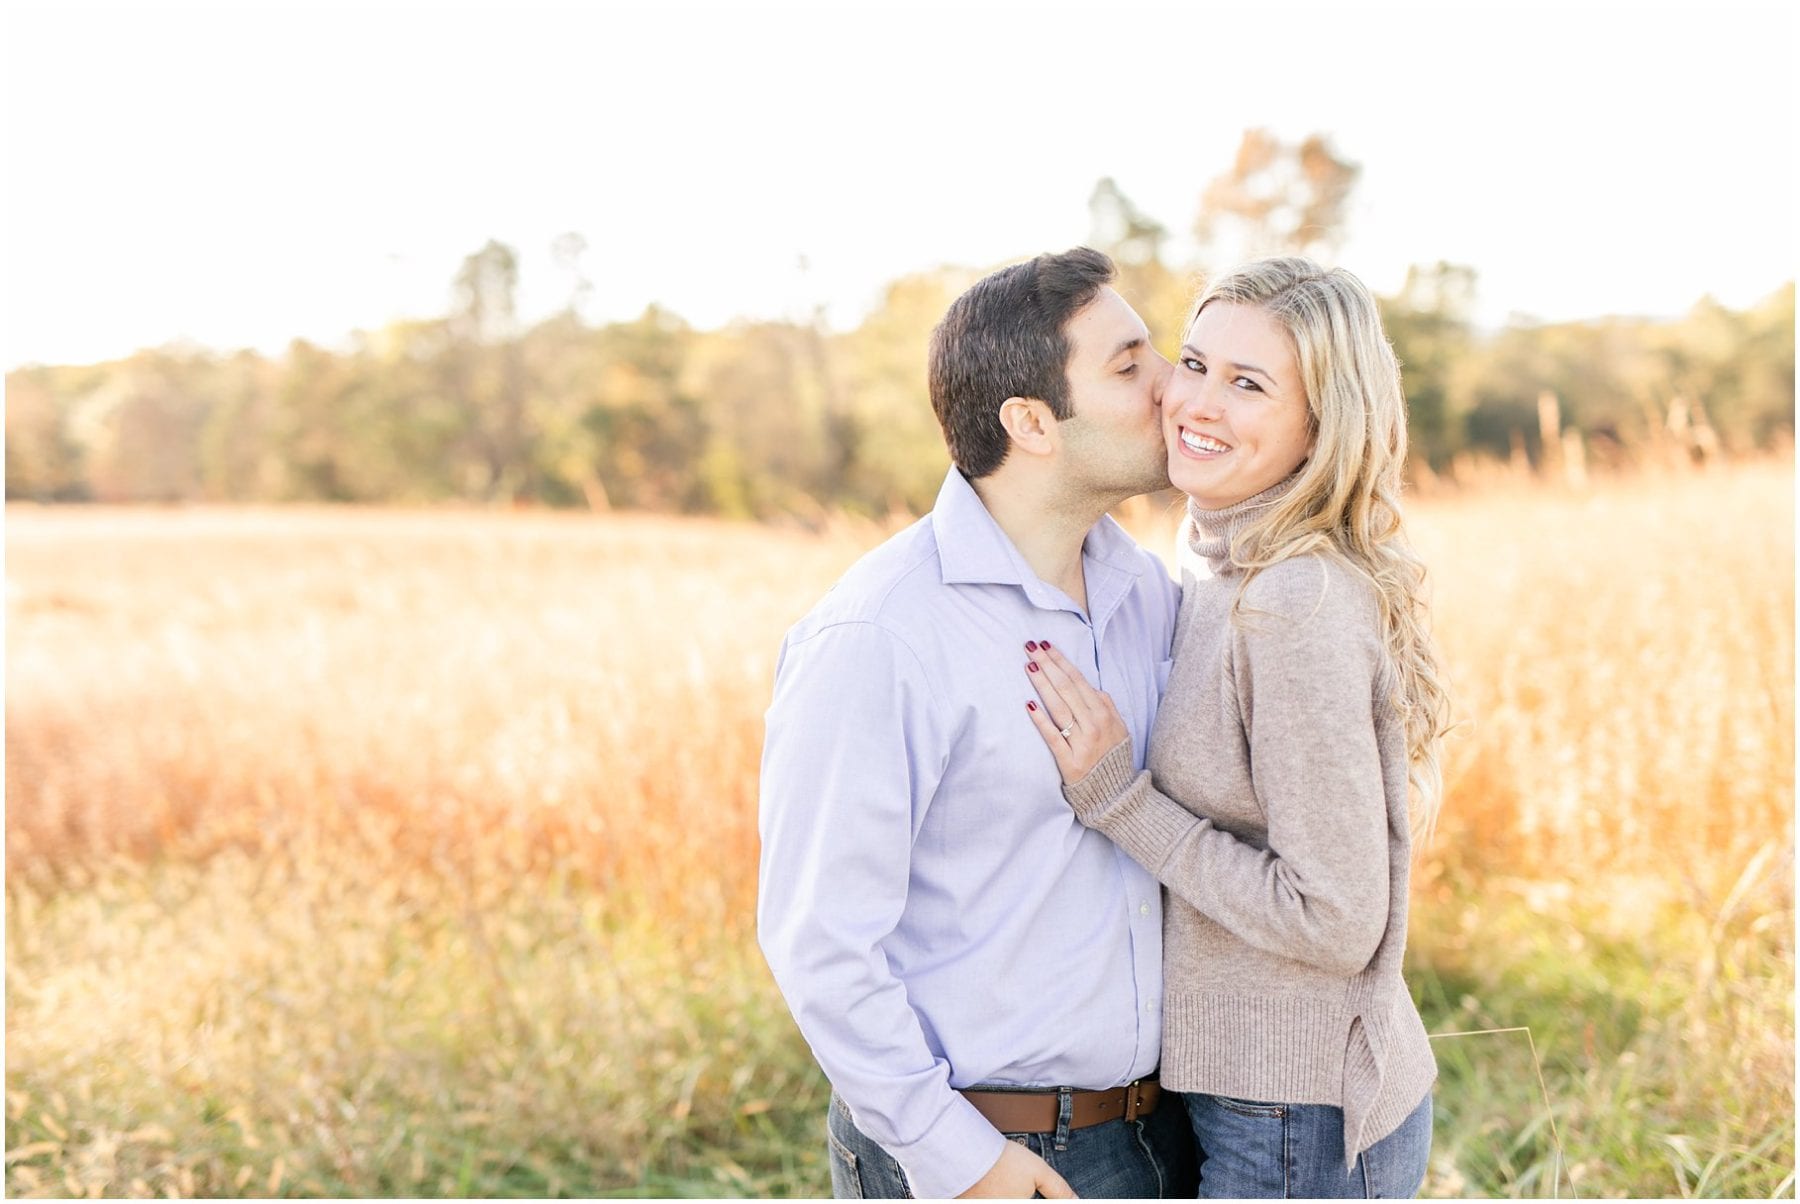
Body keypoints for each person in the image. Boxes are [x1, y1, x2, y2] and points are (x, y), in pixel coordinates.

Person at [758, 248, 1200, 1199]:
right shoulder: (881, 635)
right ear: (1031, 422)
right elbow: (820, 939)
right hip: (989, 1152)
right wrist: (959, 1160)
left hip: (1161, 1136)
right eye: (1130, 366)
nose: (1173, 385)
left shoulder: (1147, 596)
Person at [1022, 257, 1450, 1198]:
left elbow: (1337, 919)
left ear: (1321, 423)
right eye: (1195, 362)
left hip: (1297, 1116)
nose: (1195, 402)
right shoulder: (1216, 562)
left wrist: (1120, 803)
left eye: (1248, 384)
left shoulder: (1291, 601)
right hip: (1245, 1098)